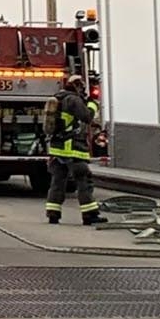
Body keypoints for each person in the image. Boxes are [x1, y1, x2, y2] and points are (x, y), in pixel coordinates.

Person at [46, 74, 107, 226]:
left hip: (57, 149)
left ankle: (53, 213)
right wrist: (93, 104)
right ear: (78, 86)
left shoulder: (58, 98)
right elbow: (87, 117)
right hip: (72, 149)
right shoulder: (73, 100)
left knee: (57, 182)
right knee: (84, 181)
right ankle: (90, 215)